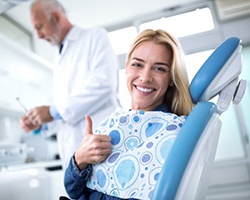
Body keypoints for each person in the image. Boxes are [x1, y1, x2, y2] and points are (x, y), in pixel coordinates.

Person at [63, 29, 193, 200]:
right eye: (137, 64)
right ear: (126, 68)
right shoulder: (114, 123)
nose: (145, 77)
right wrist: (80, 159)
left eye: (159, 69)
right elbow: (74, 191)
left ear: (171, 78)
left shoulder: (171, 132)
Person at [19, 0, 119, 169]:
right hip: (74, 157)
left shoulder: (94, 37)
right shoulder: (58, 57)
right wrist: (42, 122)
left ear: (56, 17)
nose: (39, 35)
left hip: (100, 149)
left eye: (39, 26)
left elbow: (103, 84)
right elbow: (67, 112)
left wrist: (51, 112)